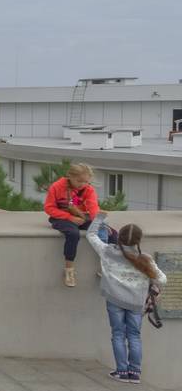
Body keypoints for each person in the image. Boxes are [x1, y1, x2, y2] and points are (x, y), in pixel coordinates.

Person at [86, 217, 166, 383]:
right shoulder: (146, 259)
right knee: (134, 336)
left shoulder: (107, 251)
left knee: (118, 334)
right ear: (139, 240)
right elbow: (162, 279)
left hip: (115, 300)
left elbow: (91, 235)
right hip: (136, 303)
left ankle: (121, 371)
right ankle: (135, 373)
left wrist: (100, 217)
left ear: (119, 237)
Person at [45, 162, 100, 287]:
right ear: (70, 176)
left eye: (86, 181)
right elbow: (49, 208)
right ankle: (69, 269)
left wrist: (96, 221)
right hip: (61, 217)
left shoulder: (88, 189)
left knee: (108, 231)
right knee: (73, 233)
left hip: (80, 216)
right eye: (79, 181)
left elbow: (92, 206)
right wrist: (69, 217)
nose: (82, 184)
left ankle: (106, 266)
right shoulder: (57, 187)